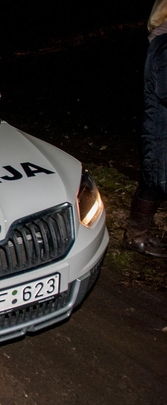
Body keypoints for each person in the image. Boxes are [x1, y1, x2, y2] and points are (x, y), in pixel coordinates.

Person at [123, 0, 167, 258]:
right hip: (162, 130)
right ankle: (135, 237)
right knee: (155, 181)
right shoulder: (164, 44)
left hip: (159, 128)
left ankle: (137, 236)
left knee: (154, 182)